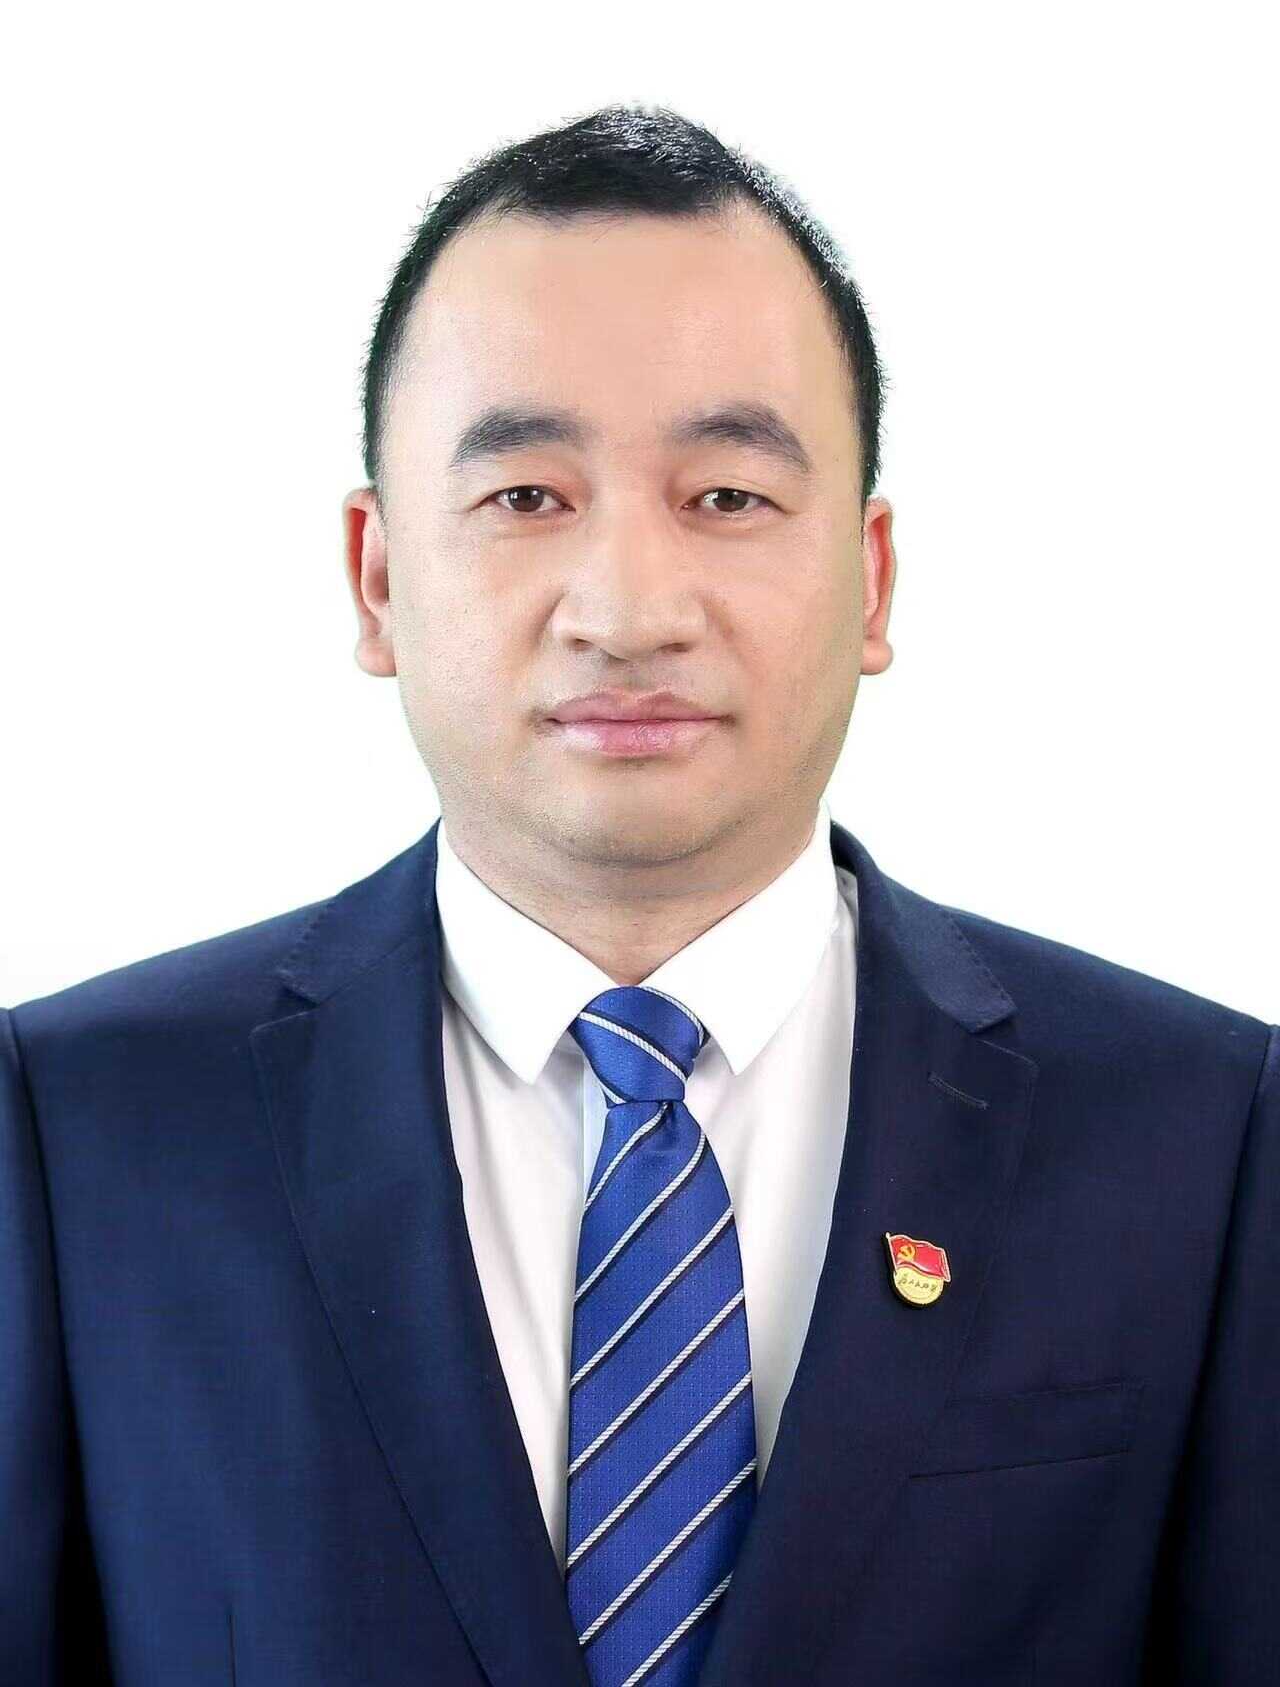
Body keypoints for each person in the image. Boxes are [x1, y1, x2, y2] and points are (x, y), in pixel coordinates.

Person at [1, 103, 1274, 1687]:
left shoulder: (1203, 1136)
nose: (627, 608)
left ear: (871, 578)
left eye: (727, 497)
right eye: (526, 497)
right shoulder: (78, 1130)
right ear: (378, 577)